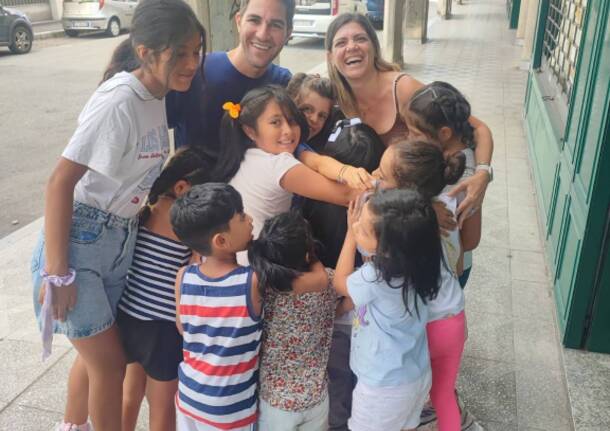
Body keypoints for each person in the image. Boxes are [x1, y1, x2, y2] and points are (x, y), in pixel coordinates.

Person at [30, 1, 205, 430]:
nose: (192, 63)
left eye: (197, 51)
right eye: (180, 53)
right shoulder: (120, 100)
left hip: (117, 243)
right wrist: (57, 273)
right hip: (80, 245)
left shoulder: (155, 96)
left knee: (99, 356)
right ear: (146, 52)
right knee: (108, 364)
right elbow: (59, 183)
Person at [325, 13, 494, 224]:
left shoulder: (403, 89)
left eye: (360, 39)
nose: (351, 47)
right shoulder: (334, 101)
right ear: (330, 56)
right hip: (381, 215)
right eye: (341, 42)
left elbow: (477, 128)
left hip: (429, 210)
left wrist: (483, 173)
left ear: (374, 47)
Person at [374, 140, 470, 431]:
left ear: (403, 190)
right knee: (443, 394)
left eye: (382, 175)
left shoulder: (402, 229)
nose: (376, 178)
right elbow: (458, 260)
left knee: (406, 397)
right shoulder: (447, 206)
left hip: (424, 326)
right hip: (454, 319)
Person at [116, 148, 210, 431]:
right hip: (164, 330)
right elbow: (196, 272)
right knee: (162, 407)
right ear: (181, 188)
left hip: (128, 318)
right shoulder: (188, 230)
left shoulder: (141, 214)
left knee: (129, 395)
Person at [300, 119, 385, 431]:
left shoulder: (308, 198)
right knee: (357, 380)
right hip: (360, 314)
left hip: (326, 312)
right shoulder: (376, 217)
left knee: (335, 381)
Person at [333, 188, 441, 431]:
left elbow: (340, 282)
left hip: (382, 388)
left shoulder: (375, 278)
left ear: (388, 249)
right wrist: (360, 231)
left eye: (363, 227)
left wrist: (350, 236)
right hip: (416, 375)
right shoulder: (420, 264)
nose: (356, 223)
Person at [212, 85, 356, 264]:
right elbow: (347, 195)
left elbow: (314, 160)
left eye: (291, 121)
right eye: (276, 122)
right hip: (260, 270)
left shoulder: (248, 154)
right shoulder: (277, 165)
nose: (288, 130)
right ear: (250, 130)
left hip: (241, 263)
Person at [170, 183, 261, 431]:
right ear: (221, 240)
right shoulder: (250, 282)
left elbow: (182, 327)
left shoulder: (183, 277)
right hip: (231, 409)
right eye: (242, 217)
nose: (250, 219)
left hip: (190, 397)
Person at [166, 0, 296, 164]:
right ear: (239, 21)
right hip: (194, 186)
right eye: (254, 20)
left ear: (288, 33)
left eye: (275, 24)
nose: (263, 34)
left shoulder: (284, 84)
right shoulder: (195, 72)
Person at [249, 211, 336, 431]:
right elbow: (345, 297)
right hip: (316, 399)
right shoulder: (329, 282)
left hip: (275, 403)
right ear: (308, 253)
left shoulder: (261, 288)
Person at [403, 81, 482, 288]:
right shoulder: (439, 152)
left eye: (415, 134)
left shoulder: (465, 180)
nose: (409, 139)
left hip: (447, 274)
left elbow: (471, 240)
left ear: (444, 134)